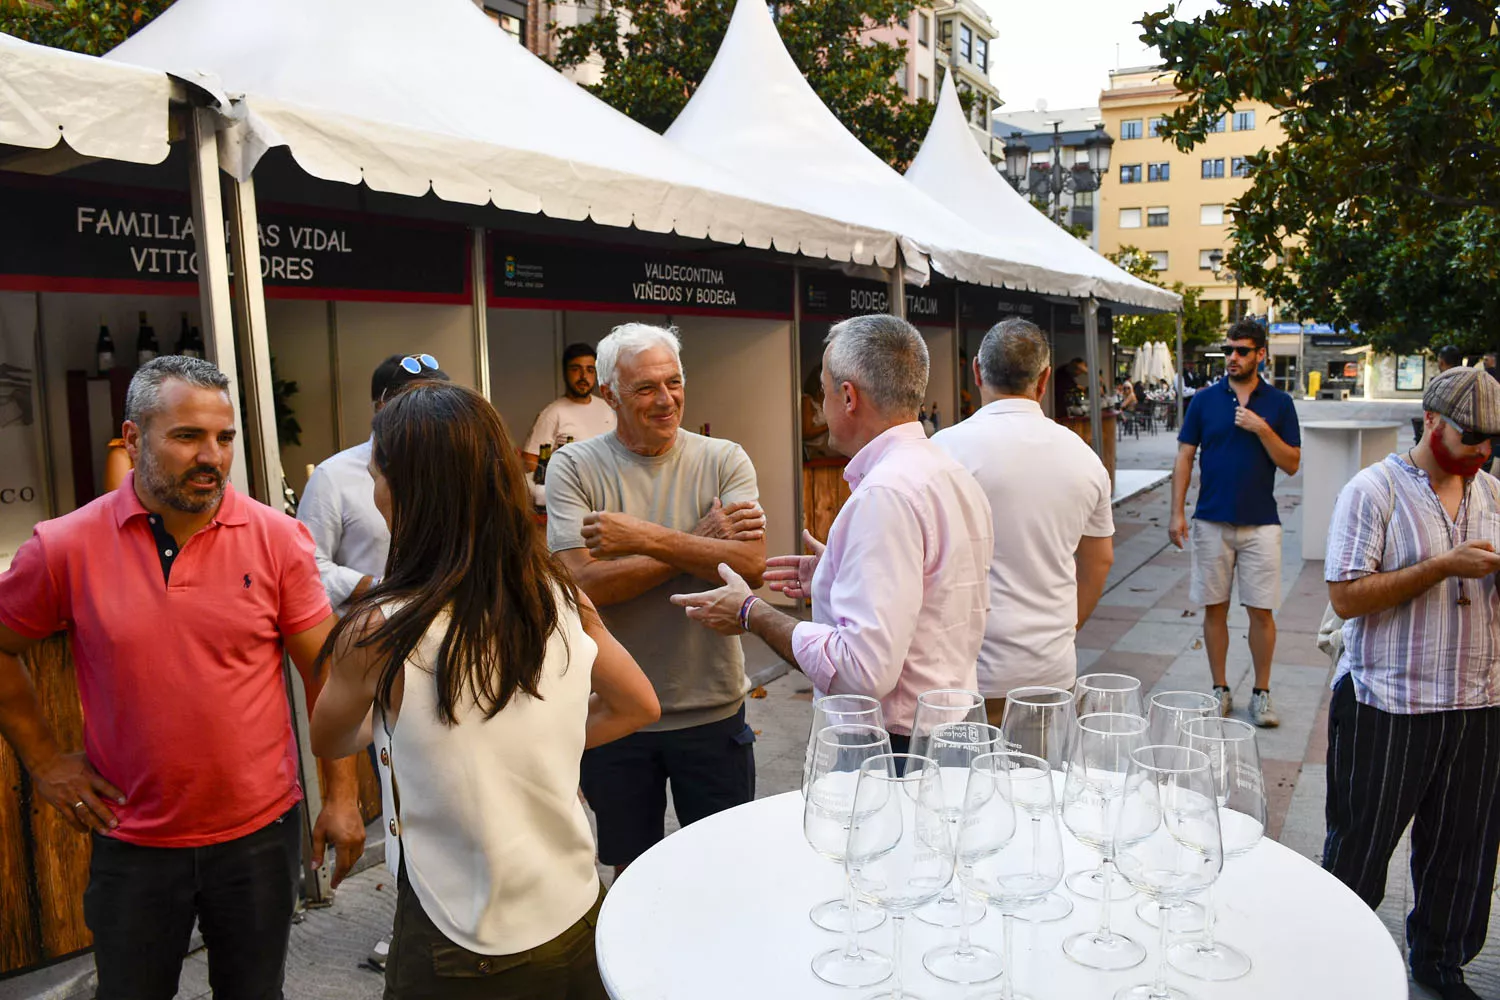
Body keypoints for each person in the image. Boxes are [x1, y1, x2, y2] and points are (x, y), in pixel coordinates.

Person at [0, 356, 364, 999]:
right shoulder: (66, 545)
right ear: (135, 438)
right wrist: (44, 761)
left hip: (259, 836)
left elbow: (323, 670)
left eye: (224, 438)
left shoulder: (278, 539)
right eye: (187, 436)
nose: (213, 457)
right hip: (133, 841)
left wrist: (340, 797)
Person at [310, 381, 659, 999]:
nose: (374, 491)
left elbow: (333, 734)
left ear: (404, 491)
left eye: (377, 474)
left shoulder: (377, 633)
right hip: (574, 907)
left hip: (457, 935)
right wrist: (537, 748)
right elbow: (639, 705)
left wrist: (407, 730)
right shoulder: (558, 595)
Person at [670, 314, 992, 750]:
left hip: (897, 748)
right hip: (945, 727)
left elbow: (862, 670)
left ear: (847, 397)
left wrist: (753, 613)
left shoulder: (886, 494)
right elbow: (933, 593)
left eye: (822, 393)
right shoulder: (947, 471)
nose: (821, 406)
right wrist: (838, 575)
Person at [544, 323, 767, 872]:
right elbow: (584, 586)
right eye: (646, 388)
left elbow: (750, 565)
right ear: (609, 395)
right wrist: (699, 540)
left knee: (723, 872)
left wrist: (642, 538)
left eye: (674, 382)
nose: (666, 400)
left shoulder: (725, 458)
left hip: (712, 708)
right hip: (615, 714)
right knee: (629, 872)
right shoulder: (574, 466)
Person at [1322, 365, 1500, 1000]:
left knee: (1465, 851)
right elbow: (1345, 597)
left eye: (1492, 440)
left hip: (1479, 702)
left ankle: (1440, 962)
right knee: (1360, 847)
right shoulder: (1373, 492)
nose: (1481, 451)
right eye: (1471, 437)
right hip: (1387, 702)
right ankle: (1333, 958)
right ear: (1430, 421)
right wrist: (1443, 566)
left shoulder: (1493, 494)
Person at [932, 319, 1113, 724]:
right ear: (1045, 379)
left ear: (976, 370)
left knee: (963, 786)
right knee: (1040, 783)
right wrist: (1065, 629)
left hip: (963, 675)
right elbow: (1099, 561)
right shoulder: (1084, 458)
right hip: (1050, 670)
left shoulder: (942, 451)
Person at [1169, 319, 1301, 727]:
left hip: (1262, 522)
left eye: (1242, 351)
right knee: (1215, 609)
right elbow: (1185, 456)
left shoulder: (1279, 404)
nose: (1232, 358)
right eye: (1228, 350)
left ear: (1261, 354)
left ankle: (1261, 692)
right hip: (1211, 520)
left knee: (1262, 611)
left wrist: (1261, 428)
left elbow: (1292, 464)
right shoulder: (1205, 401)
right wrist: (1176, 512)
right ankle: (1219, 688)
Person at [298, 354, 452, 615]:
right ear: (381, 408)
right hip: (368, 633)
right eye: (415, 401)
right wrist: (379, 587)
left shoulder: (453, 468)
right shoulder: (334, 475)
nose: (431, 412)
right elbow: (307, 564)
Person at [523, 342, 616, 487]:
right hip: (571, 494)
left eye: (590, 370)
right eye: (576, 369)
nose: (583, 376)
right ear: (565, 372)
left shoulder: (608, 408)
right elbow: (531, 460)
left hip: (608, 489)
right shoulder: (553, 413)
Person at [801, 366, 836, 459]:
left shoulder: (829, 400)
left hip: (831, 447)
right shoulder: (807, 400)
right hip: (815, 450)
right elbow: (806, 433)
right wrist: (829, 426)